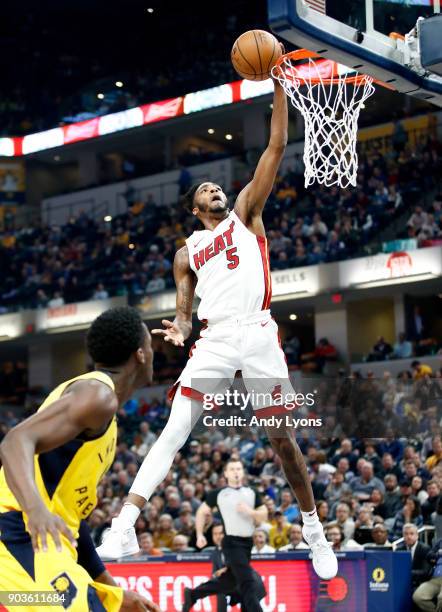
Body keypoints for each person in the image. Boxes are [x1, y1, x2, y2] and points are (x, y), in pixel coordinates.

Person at [97, 70, 337, 580]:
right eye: (205, 189)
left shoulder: (246, 212)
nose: (215, 188)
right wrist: (181, 329)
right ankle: (123, 523)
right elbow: (184, 310)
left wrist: (278, 84)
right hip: (216, 338)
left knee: (282, 442)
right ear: (193, 208)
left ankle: (313, 528)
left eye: (215, 185)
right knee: (175, 429)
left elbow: (276, 143)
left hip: (258, 332)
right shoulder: (187, 251)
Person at [0, 307, 159, 612]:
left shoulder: (104, 417)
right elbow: (14, 442)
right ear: (140, 354)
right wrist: (35, 512)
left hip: (49, 547)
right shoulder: (97, 395)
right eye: (151, 345)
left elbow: (74, 520)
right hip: (17, 534)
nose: (154, 352)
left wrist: (112, 590)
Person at [195, 460, 267, 611]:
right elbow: (201, 512)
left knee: (230, 581)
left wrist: (250, 512)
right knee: (248, 582)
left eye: (239, 469)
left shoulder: (252, 492)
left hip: (247, 542)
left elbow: (263, 516)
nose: (236, 472)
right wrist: (200, 534)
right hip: (231, 541)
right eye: (232, 469)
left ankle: (193, 594)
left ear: (243, 472)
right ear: (226, 473)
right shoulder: (218, 494)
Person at [182, 522, 266, 612]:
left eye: (221, 533)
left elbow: (239, 562)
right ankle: (192, 595)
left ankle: (193, 595)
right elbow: (216, 580)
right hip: (236, 586)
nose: (218, 536)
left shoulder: (234, 546)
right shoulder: (216, 552)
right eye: (215, 534)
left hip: (251, 584)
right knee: (221, 585)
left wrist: (227, 568)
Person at [396, 524, 431, 590]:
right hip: (402, 582)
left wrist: (406, 574)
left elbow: (425, 572)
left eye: (411, 534)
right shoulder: (399, 549)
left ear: (417, 536)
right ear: (403, 536)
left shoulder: (425, 549)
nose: (409, 537)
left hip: (420, 582)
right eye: (406, 534)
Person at [413, 535, 442, 611]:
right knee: (418, 596)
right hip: (435, 579)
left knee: (441, 597)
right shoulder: (440, 542)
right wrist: (438, 553)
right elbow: (429, 555)